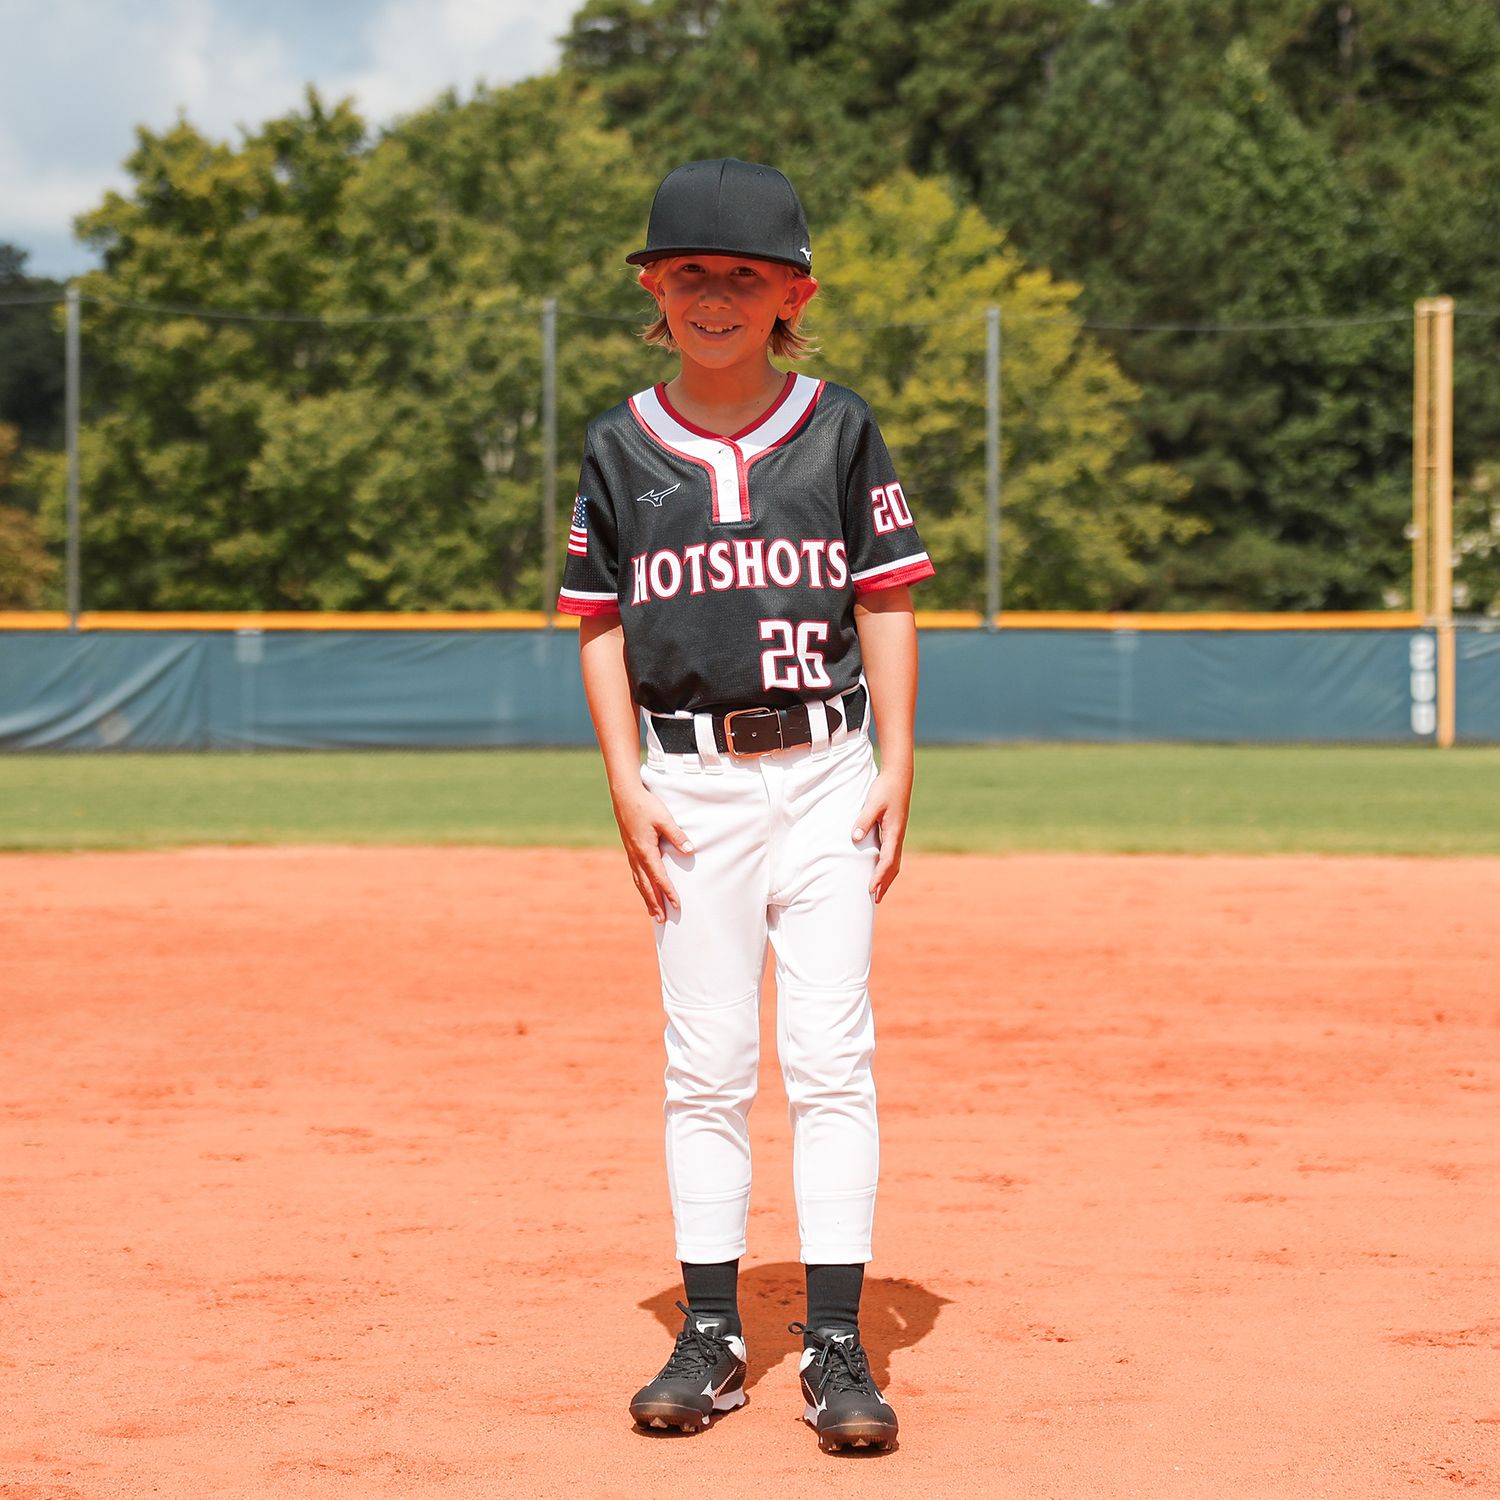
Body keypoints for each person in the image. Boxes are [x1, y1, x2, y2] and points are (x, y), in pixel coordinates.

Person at [557, 158, 933, 1454]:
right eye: (689, 273)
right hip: (687, 783)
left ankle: (835, 1342)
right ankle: (711, 1332)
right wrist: (624, 780)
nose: (714, 295)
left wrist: (897, 761)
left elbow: (885, 595)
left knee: (831, 1057)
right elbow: (599, 623)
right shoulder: (620, 443)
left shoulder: (839, 429)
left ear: (793, 296)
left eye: (744, 274)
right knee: (707, 1063)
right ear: (654, 291)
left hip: (827, 772)